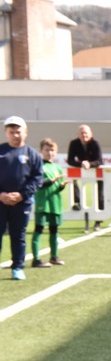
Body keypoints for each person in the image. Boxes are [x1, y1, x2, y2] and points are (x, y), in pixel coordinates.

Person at [0, 116, 41, 280]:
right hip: (0, 202)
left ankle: (17, 267)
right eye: (12, 132)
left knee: (18, 235)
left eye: (18, 132)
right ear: (6, 133)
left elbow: (37, 179)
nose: (15, 135)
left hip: (22, 203)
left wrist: (22, 195)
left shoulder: (33, 154)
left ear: (25, 132)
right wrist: (1, 195)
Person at [30, 138, 67, 267]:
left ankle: (54, 257)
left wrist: (62, 186)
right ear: (41, 151)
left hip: (55, 204)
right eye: (47, 150)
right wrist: (52, 181)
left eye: (52, 150)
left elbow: (57, 187)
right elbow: (38, 184)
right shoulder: (38, 166)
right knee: (39, 229)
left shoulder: (57, 168)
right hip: (43, 203)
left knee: (54, 230)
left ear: (56, 152)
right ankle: (36, 259)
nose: (49, 153)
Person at [66, 123, 104, 220]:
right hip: (82, 169)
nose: (84, 135)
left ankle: (99, 217)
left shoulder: (95, 143)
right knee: (71, 180)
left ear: (91, 134)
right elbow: (70, 160)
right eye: (82, 133)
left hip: (96, 170)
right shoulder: (74, 143)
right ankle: (78, 202)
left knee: (100, 193)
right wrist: (82, 164)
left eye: (86, 133)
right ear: (77, 135)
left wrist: (89, 164)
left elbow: (100, 161)